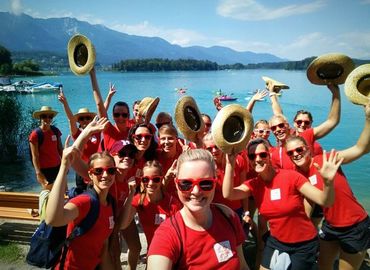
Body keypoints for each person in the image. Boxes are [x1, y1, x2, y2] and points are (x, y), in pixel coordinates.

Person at [223, 138, 340, 270]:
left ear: (269, 156)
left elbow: (325, 201)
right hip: (276, 240)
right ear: (249, 160)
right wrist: (229, 164)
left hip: (303, 244)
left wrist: (328, 183)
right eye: (252, 156)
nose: (257, 159)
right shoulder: (254, 185)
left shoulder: (291, 177)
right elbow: (229, 194)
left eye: (262, 154)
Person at [285, 103, 370, 270]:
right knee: (323, 266)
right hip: (330, 225)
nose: (296, 154)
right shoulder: (301, 178)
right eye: (291, 152)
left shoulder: (328, 158)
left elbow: (361, 148)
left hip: (354, 226)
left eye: (299, 149)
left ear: (308, 149)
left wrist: (368, 119)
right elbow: (307, 210)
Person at [147, 149, 249, 269]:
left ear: (215, 182)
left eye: (205, 183)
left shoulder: (228, 216)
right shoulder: (167, 235)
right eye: (186, 184)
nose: (195, 191)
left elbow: (242, 266)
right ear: (176, 184)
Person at [45, 117, 115, 270]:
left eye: (110, 170)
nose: (105, 175)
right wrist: (64, 167)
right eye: (98, 171)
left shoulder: (110, 204)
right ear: (89, 175)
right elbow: (53, 219)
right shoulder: (84, 202)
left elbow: (103, 250)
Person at [267, 81, 340, 168]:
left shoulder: (308, 138)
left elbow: (332, 121)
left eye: (306, 122)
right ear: (293, 123)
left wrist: (336, 94)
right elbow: (278, 114)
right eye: (299, 122)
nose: (302, 125)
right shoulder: (287, 133)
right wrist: (272, 94)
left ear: (311, 124)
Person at [121, 160, 182, 246]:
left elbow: (180, 235)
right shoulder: (139, 200)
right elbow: (123, 225)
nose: (150, 183)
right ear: (142, 180)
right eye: (146, 179)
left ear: (161, 179)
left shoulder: (173, 204)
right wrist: (131, 194)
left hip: (171, 250)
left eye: (156, 179)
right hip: (152, 250)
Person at [58, 89, 99, 193]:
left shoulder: (97, 132)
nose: (85, 120)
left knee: (95, 195)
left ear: (91, 120)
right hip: (81, 170)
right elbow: (71, 120)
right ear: (79, 121)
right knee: (82, 195)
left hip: (95, 169)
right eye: (82, 118)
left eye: (88, 118)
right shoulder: (77, 134)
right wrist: (65, 103)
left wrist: (109, 97)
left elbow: (102, 110)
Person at [90, 68, 133, 151]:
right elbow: (99, 105)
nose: (120, 117)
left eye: (124, 115)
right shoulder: (109, 130)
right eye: (117, 115)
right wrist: (92, 75)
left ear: (128, 116)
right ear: (112, 116)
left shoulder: (133, 132)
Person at [29, 106, 63, 190]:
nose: (47, 119)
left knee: (63, 191)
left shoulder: (56, 131)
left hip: (58, 166)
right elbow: (35, 156)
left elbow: (60, 149)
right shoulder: (35, 134)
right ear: (40, 118)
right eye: (44, 116)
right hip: (44, 169)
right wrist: (38, 172)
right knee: (47, 193)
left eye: (50, 117)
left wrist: (65, 165)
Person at [156, 124, 184, 197]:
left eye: (170, 138)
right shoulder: (155, 158)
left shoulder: (183, 155)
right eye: (163, 139)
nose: (166, 142)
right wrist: (167, 177)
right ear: (159, 140)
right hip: (164, 199)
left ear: (176, 139)